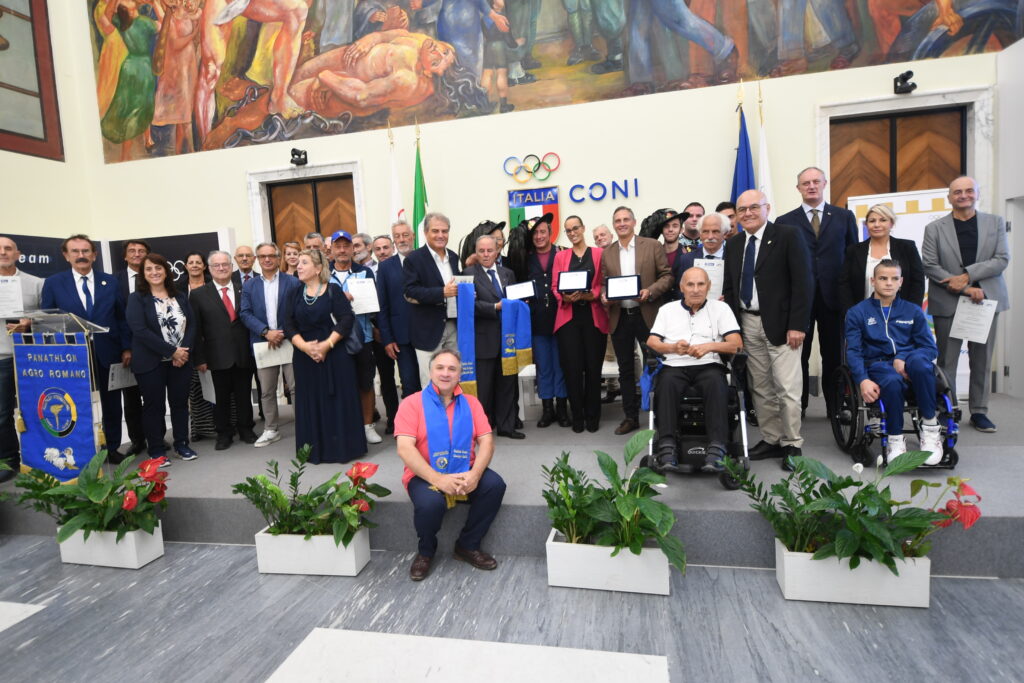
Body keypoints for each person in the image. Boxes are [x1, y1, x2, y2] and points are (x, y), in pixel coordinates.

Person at [395, 348, 506, 581]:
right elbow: (405, 448)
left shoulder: (472, 403)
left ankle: (467, 545)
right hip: (425, 474)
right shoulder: (411, 403)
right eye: (440, 367)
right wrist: (438, 479)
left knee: (494, 485)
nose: (445, 373)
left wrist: (475, 475)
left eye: (452, 369)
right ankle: (426, 551)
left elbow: (487, 442)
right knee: (430, 503)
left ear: (459, 375)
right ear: (431, 371)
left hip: (466, 469)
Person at [723, 190, 812, 471]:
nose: (747, 213)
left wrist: (798, 324)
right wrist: (732, 328)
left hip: (784, 325)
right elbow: (730, 287)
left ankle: (792, 443)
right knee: (760, 386)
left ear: (767, 208)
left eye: (753, 207)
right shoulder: (735, 244)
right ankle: (772, 439)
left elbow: (803, 283)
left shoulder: (788, 236)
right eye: (742, 209)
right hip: (747, 323)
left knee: (787, 387)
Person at [922, 176, 1010, 433]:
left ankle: (980, 411)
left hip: (985, 301)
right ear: (949, 198)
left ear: (977, 194)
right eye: (957, 192)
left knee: (981, 360)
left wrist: (968, 275)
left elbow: (1002, 259)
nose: (963, 195)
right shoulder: (935, 228)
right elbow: (929, 264)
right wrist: (964, 287)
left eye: (969, 191)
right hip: (948, 300)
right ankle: (948, 409)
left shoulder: (994, 223)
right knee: (946, 360)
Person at [41, 234, 132, 460]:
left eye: (85, 251)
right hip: (71, 354)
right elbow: (47, 321)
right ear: (66, 255)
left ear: (94, 254)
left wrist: (127, 347)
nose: (81, 256)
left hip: (108, 351)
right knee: (75, 402)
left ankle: (111, 448)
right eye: (75, 251)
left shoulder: (110, 281)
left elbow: (121, 318)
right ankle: (79, 450)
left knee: (111, 404)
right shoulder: (53, 283)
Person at [777, 167, 858, 417]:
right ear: (798, 188)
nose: (811, 186)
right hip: (799, 300)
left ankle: (835, 406)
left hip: (834, 299)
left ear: (824, 184)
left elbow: (853, 256)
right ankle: (797, 407)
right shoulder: (784, 221)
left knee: (834, 355)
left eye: (815, 182)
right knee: (796, 357)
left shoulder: (844, 217)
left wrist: (851, 299)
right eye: (805, 183)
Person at [845, 260, 944, 463]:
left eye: (894, 279)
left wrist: (902, 357)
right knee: (891, 379)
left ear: (901, 282)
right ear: (873, 281)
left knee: (920, 362)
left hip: (913, 366)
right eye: (883, 278)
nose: (889, 283)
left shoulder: (913, 311)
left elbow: (929, 348)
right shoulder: (857, 312)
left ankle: (930, 428)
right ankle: (895, 437)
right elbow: (854, 352)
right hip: (879, 365)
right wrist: (862, 380)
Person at [647, 267, 742, 472]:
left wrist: (709, 346)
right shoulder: (667, 310)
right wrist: (672, 347)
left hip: (709, 364)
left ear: (708, 287)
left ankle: (717, 446)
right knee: (666, 383)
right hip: (675, 364)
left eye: (701, 284)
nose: (696, 289)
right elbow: (652, 341)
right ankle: (667, 445)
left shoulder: (721, 309)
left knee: (716, 383)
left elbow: (736, 344)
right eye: (690, 284)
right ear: (682, 287)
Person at [283, 249, 367, 463]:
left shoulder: (333, 290)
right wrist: (305, 347)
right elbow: (288, 324)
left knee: (338, 400)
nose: (298, 266)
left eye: (304, 262)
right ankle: (314, 450)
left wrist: (327, 345)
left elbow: (346, 319)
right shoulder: (293, 293)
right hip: (304, 358)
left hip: (335, 355)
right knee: (310, 401)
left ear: (318, 268)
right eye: (298, 263)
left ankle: (342, 449)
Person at [600, 206, 674, 434]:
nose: (621, 223)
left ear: (634, 222)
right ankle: (630, 417)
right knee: (625, 370)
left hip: (648, 314)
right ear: (614, 225)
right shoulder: (608, 252)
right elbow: (605, 282)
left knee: (657, 365)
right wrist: (604, 295)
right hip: (620, 316)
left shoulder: (651, 246)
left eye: (625, 219)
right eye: (617, 220)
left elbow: (667, 276)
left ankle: (662, 415)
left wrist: (650, 291)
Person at [126, 253, 197, 462]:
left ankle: (181, 444)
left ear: (166, 271)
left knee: (180, 404)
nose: (154, 272)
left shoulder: (180, 296)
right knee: (153, 406)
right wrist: (171, 351)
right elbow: (139, 330)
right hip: (151, 362)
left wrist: (183, 351)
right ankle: (156, 450)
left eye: (158, 268)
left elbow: (192, 324)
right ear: (143, 274)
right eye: (149, 269)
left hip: (181, 361)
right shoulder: (136, 298)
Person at [189, 250, 257, 450]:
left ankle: (246, 429)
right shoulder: (199, 294)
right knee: (220, 398)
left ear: (232, 267)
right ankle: (224, 433)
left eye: (225, 265)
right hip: (215, 355)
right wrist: (199, 358)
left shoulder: (243, 289)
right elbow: (196, 329)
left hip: (243, 353)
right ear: (209, 269)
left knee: (244, 394)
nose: (221, 268)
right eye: (216, 265)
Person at [240, 242, 301, 448]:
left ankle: (304, 425)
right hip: (263, 343)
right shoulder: (250, 285)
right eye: (262, 256)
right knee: (266, 390)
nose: (267, 259)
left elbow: (298, 309)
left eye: (271, 256)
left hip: (289, 341)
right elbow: (245, 313)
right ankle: (271, 429)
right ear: (257, 259)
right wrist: (266, 332)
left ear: (278, 258)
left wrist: (282, 332)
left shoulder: (292, 282)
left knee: (295, 387)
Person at [552, 215, 609, 433]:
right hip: (568, 320)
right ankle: (577, 417)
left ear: (583, 228)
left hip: (593, 318)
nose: (572, 232)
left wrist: (591, 295)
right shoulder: (561, 256)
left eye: (575, 228)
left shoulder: (598, 253)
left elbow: (603, 283)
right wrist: (563, 298)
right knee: (572, 370)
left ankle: (593, 417)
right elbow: (556, 285)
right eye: (568, 230)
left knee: (593, 369)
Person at [330, 230, 385, 444]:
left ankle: (368, 425)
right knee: (341, 384)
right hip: (334, 339)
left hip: (363, 336)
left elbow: (373, 305)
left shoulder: (365, 272)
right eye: (338, 246)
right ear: (332, 250)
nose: (343, 250)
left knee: (366, 382)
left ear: (353, 249)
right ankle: (347, 425)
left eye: (347, 246)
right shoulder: (323, 274)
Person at [464, 235, 522, 438]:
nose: (486, 255)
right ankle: (483, 429)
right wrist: (494, 307)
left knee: (507, 385)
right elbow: (468, 306)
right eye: (482, 251)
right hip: (484, 340)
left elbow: (515, 300)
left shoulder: (508, 273)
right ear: (476, 252)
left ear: (497, 251)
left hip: (507, 340)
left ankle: (507, 426)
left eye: (490, 250)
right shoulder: (468, 274)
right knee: (484, 389)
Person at [0, 237, 43, 483]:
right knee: (2, 413)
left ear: (18, 254)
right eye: (0, 250)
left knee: (37, 410)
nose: (4, 253)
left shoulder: (36, 284)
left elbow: (47, 316)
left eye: (8, 249)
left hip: (31, 356)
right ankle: (8, 460)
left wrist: (30, 323)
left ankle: (39, 457)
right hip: (1, 357)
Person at [404, 212, 462, 387]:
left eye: (444, 231)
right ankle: (433, 416)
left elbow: (458, 285)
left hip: (453, 327)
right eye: (435, 231)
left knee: (452, 379)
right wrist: (441, 292)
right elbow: (411, 291)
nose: (440, 235)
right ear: (425, 232)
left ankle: (452, 415)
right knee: (430, 383)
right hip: (427, 330)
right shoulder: (414, 259)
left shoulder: (453, 257)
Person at [522, 215, 569, 429]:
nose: (539, 236)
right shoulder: (524, 258)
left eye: (543, 232)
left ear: (550, 233)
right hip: (537, 320)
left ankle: (562, 407)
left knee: (561, 364)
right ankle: (547, 408)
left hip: (561, 317)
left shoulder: (563, 253)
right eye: (535, 233)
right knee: (543, 366)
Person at [838, 203, 925, 313]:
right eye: (872, 221)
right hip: (863, 316)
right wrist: (851, 313)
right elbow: (844, 284)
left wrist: (912, 312)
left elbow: (917, 282)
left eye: (883, 220)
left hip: (900, 314)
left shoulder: (907, 248)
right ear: (866, 224)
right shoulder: (853, 251)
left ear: (891, 223)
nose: (877, 225)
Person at [377, 221, 422, 401]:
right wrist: (387, 339)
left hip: (428, 333)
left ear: (413, 236)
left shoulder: (424, 260)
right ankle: (413, 427)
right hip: (401, 337)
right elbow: (383, 305)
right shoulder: (386, 267)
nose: (402, 239)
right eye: (397, 236)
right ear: (393, 240)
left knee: (431, 381)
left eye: (405, 235)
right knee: (409, 383)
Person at [117, 239, 152, 457]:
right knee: (131, 399)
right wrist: (125, 347)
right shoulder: (114, 282)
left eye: (141, 251)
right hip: (128, 349)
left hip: (153, 348)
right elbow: (115, 317)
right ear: (125, 256)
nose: (137, 254)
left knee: (153, 397)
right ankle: (137, 440)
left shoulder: (157, 278)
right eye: (132, 251)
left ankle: (156, 437)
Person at [183, 250, 216, 442]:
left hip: (212, 341)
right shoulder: (178, 289)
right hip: (189, 343)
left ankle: (221, 423)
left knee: (216, 384)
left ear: (204, 266)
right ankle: (201, 428)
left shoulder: (213, 286)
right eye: (191, 262)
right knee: (196, 387)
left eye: (198, 262)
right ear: (186, 266)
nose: (194, 265)